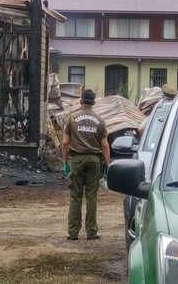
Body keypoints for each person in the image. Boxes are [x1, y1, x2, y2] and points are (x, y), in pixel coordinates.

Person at [62, 89, 110, 241]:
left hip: (77, 160)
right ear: (94, 103)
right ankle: (91, 232)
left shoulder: (72, 118)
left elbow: (65, 142)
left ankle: (73, 232)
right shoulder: (100, 120)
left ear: (81, 101)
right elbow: (105, 146)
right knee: (91, 196)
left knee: (75, 196)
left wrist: (65, 162)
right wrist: (108, 166)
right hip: (94, 161)